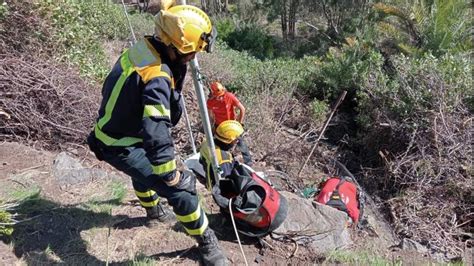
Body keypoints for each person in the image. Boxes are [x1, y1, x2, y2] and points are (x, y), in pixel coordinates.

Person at [86, 4, 226, 265]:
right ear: (176, 47)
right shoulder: (158, 77)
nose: (195, 54)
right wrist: (172, 176)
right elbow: (156, 130)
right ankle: (207, 241)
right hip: (119, 143)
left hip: (117, 129)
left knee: (145, 168)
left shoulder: (145, 48)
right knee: (182, 191)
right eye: (193, 50)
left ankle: (153, 211)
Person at [206, 81, 253, 166]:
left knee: (240, 141)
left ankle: (248, 162)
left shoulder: (229, 96)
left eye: (221, 96)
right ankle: (225, 162)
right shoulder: (210, 102)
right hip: (219, 126)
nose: (220, 98)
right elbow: (210, 116)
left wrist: (239, 123)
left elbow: (242, 109)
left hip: (231, 125)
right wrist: (212, 126)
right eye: (217, 97)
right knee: (221, 145)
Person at [199, 120, 243, 189]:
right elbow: (226, 181)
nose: (237, 141)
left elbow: (201, 160)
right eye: (236, 139)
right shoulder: (224, 160)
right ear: (228, 140)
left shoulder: (207, 143)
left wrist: (218, 168)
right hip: (216, 189)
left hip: (209, 176)